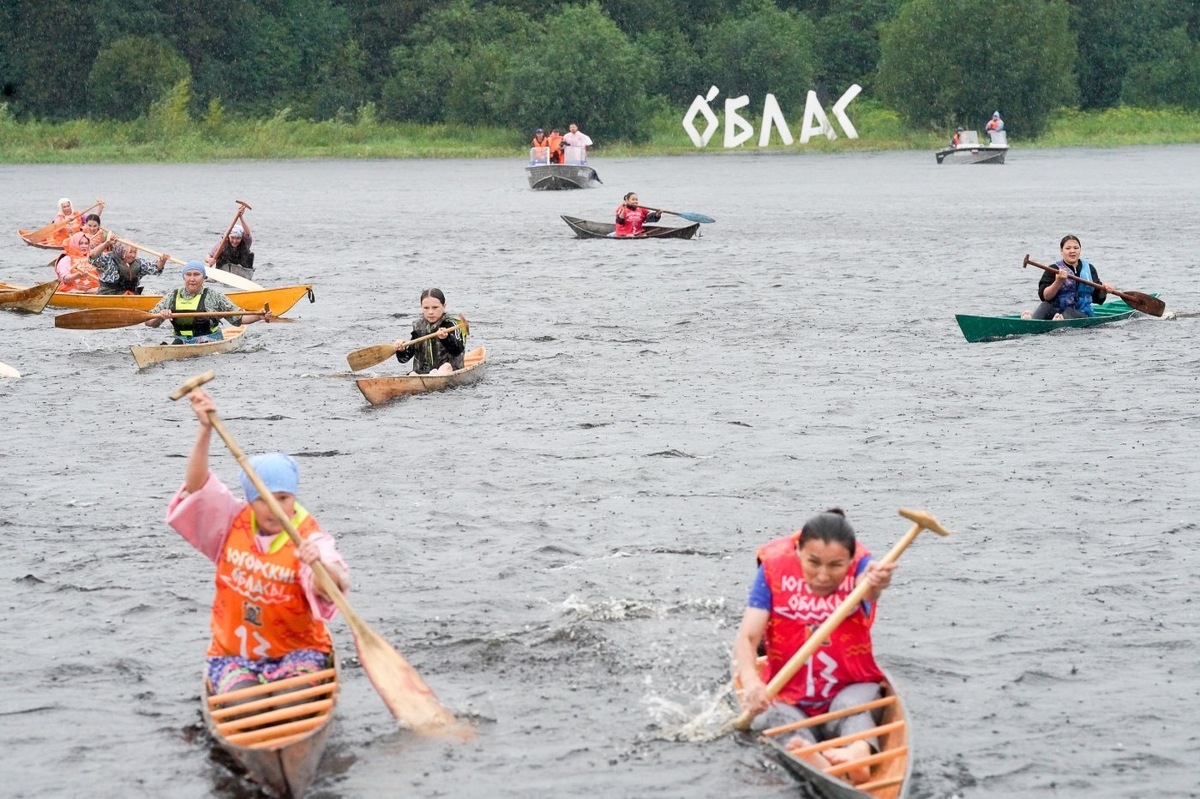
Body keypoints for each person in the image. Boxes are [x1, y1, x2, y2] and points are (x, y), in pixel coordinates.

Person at [167, 389, 350, 696]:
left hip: (298, 653)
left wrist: (317, 565)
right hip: (234, 656)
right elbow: (197, 488)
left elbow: (336, 583)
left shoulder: (310, 537)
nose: (275, 509)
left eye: (283, 499)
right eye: (265, 500)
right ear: (251, 501)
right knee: (240, 701)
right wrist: (204, 430)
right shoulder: (231, 521)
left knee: (288, 704)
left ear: (293, 498)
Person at [733, 509, 896, 785]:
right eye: (814, 562)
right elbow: (748, 637)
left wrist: (876, 582)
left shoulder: (861, 570)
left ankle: (857, 753)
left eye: (835, 565)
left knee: (856, 707)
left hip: (848, 687)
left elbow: (868, 588)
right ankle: (814, 758)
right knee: (778, 717)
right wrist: (750, 681)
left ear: (850, 560)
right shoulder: (772, 571)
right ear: (798, 553)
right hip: (789, 695)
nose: (823, 575)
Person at [145, 261, 274, 343]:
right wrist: (160, 316)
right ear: (183, 277)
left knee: (203, 341)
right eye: (188, 275)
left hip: (209, 340)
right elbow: (149, 322)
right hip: (181, 341)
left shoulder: (214, 296)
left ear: (204, 278)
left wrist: (259, 316)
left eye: (196, 274)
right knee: (176, 343)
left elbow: (239, 318)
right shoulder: (172, 296)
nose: (192, 279)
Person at [1029, 235, 1114, 320]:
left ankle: (1059, 320)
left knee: (1069, 312)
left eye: (1076, 248)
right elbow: (1045, 297)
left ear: (1080, 250)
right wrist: (1058, 281)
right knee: (1044, 306)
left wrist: (1104, 290)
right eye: (1068, 248)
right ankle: (1032, 321)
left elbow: (1097, 298)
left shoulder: (1089, 269)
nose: (1072, 251)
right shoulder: (1053, 269)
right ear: (1061, 251)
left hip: (1082, 313)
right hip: (1056, 311)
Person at [394, 288, 465, 375]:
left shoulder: (451, 325)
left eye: (435, 307)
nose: (430, 312)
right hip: (423, 372)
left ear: (444, 306)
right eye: (426, 308)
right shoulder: (418, 327)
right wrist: (401, 350)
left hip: (449, 371)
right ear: (421, 307)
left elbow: (458, 350)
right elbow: (404, 359)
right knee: (412, 374)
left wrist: (446, 338)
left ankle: (435, 376)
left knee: (446, 366)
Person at [88, 239, 168, 295]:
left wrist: (162, 261)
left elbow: (156, 268)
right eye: (130, 252)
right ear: (122, 251)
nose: (133, 255)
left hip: (130, 295)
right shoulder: (110, 260)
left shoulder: (139, 263)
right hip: (109, 294)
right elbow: (93, 256)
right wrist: (106, 243)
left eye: (135, 252)